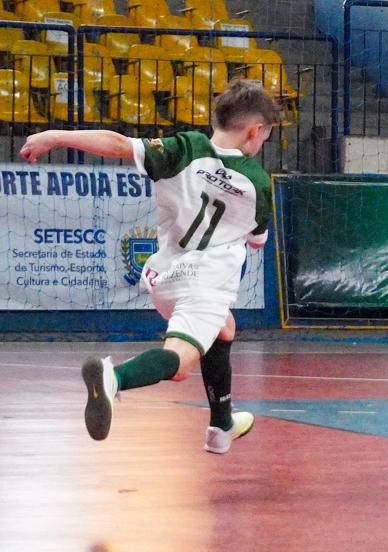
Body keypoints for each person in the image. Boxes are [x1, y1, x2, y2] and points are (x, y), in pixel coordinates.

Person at [20, 79, 281, 454]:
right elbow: (257, 241)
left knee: (224, 327)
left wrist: (54, 136)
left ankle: (221, 425)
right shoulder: (257, 182)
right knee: (179, 362)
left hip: (164, 276)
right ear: (255, 132)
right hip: (205, 283)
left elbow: (118, 145)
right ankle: (114, 378)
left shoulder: (185, 148)